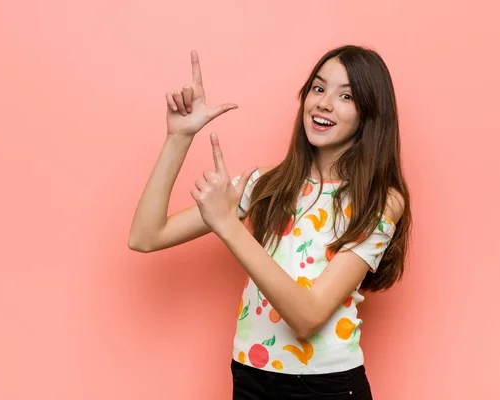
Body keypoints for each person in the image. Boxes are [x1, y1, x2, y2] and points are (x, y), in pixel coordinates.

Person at [129, 45, 412, 399]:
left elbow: (308, 317)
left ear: (369, 115)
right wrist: (178, 138)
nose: (324, 103)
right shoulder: (265, 184)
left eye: (346, 96)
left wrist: (228, 226)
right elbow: (146, 235)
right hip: (250, 376)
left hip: (327, 387)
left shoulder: (381, 201)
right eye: (319, 88)